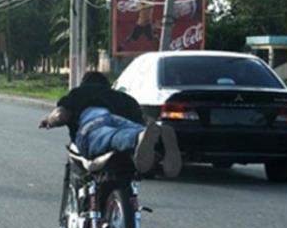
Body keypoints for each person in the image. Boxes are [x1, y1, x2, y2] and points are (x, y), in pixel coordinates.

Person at [39, 71, 181, 177]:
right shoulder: (124, 98)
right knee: (132, 129)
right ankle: (158, 142)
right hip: (122, 120)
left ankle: (137, 137)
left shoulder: (79, 93)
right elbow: (143, 121)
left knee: (108, 135)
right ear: (107, 85)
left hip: (93, 120)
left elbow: (60, 116)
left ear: (84, 84)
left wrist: (48, 121)